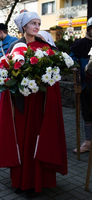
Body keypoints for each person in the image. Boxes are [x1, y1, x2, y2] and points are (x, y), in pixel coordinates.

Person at [0, 11, 67, 195]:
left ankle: (37, 181)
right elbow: (8, 69)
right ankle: (21, 180)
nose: (36, 26)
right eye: (33, 23)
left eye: (38, 23)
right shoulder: (15, 46)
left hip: (39, 103)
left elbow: (55, 71)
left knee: (36, 138)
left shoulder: (46, 45)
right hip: (21, 102)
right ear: (24, 26)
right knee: (21, 139)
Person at [70, 17, 92, 153]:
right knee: (87, 114)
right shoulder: (79, 44)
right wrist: (74, 66)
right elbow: (71, 58)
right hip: (86, 86)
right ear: (89, 29)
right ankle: (88, 142)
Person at [0, 23, 18, 120]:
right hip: (0, 76)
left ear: (0, 32)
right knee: (1, 100)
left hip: (12, 76)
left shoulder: (15, 41)